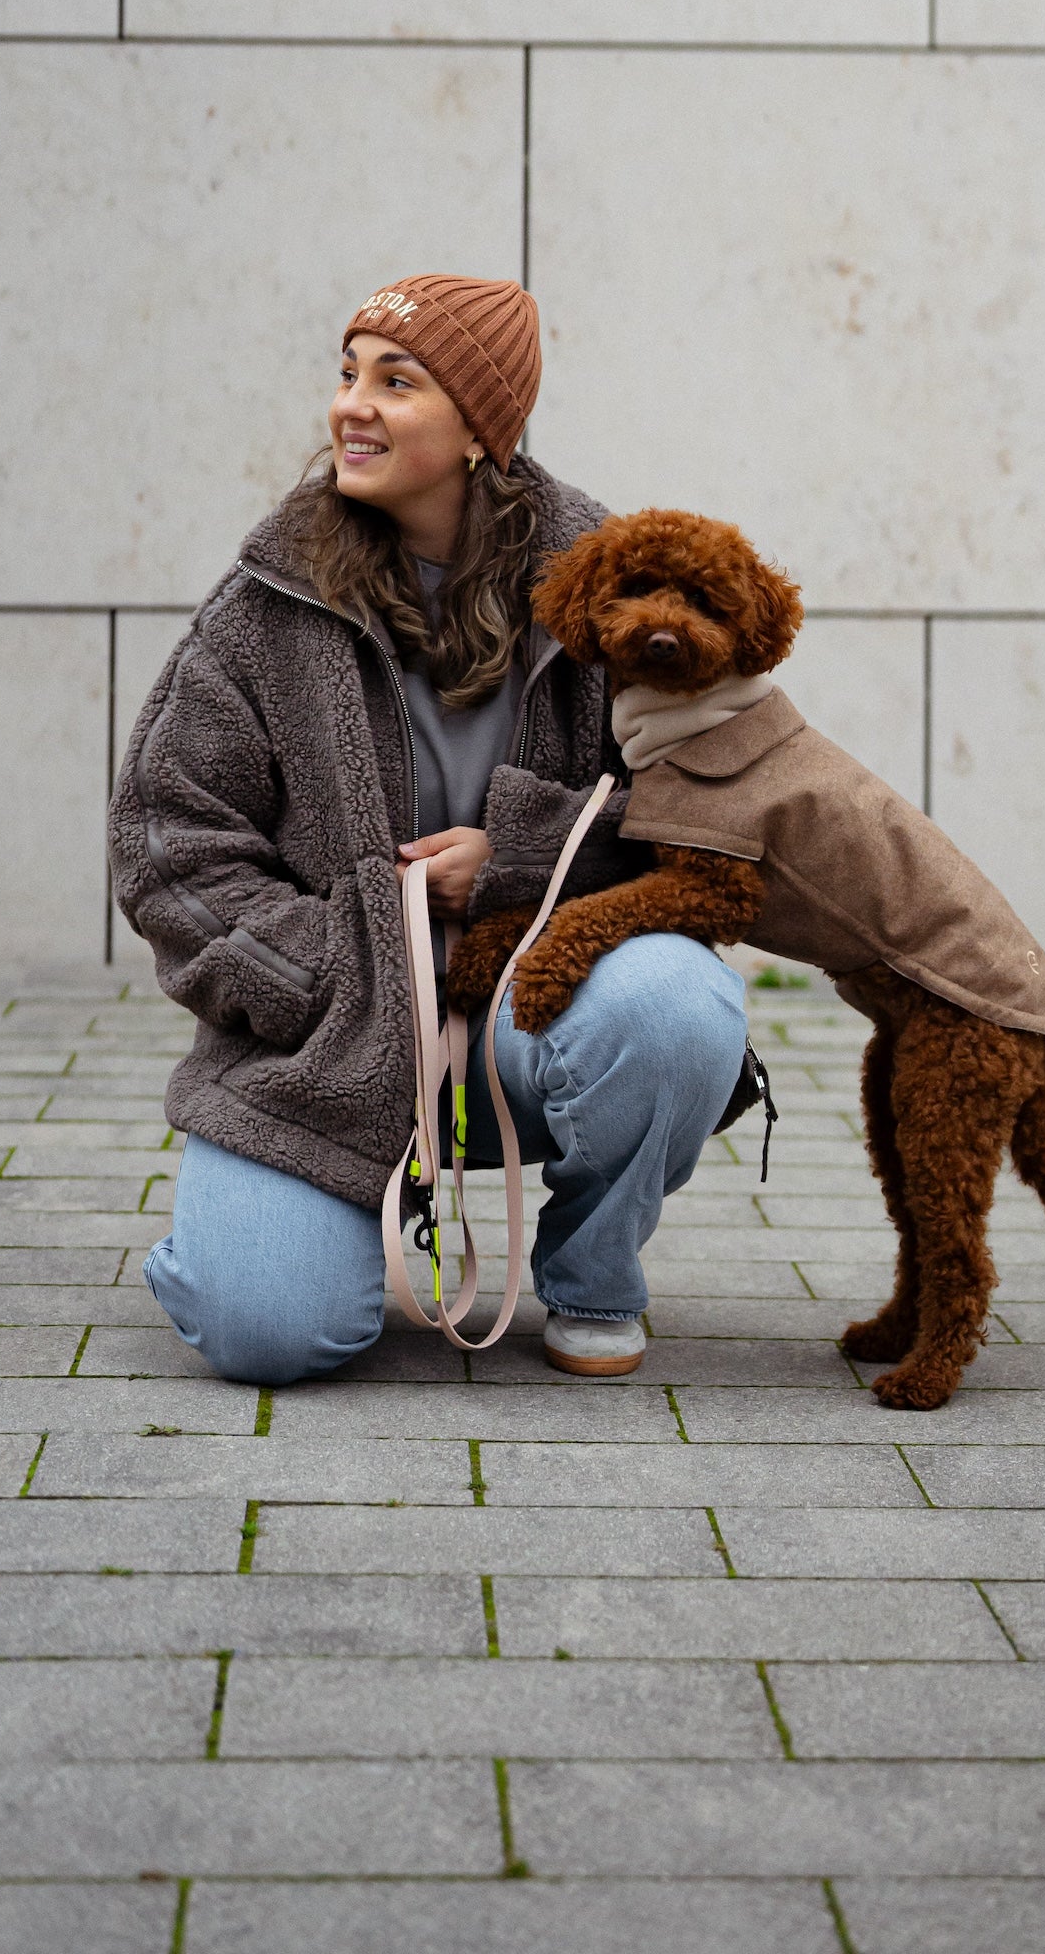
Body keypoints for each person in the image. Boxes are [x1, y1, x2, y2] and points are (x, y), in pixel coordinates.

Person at [109, 273, 749, 1385]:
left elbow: (703, 820)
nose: (351, 404)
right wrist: (330, 977)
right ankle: (241, 1239)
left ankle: (592, 1277)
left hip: (531, 1007)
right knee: (269, 1331)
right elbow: (169, 837)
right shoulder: (271, 600)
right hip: (328, 1035)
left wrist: (524, 863)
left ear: (478, 431)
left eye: (394, 382)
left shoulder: (605, 582)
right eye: (346, 373)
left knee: (680, 1008)